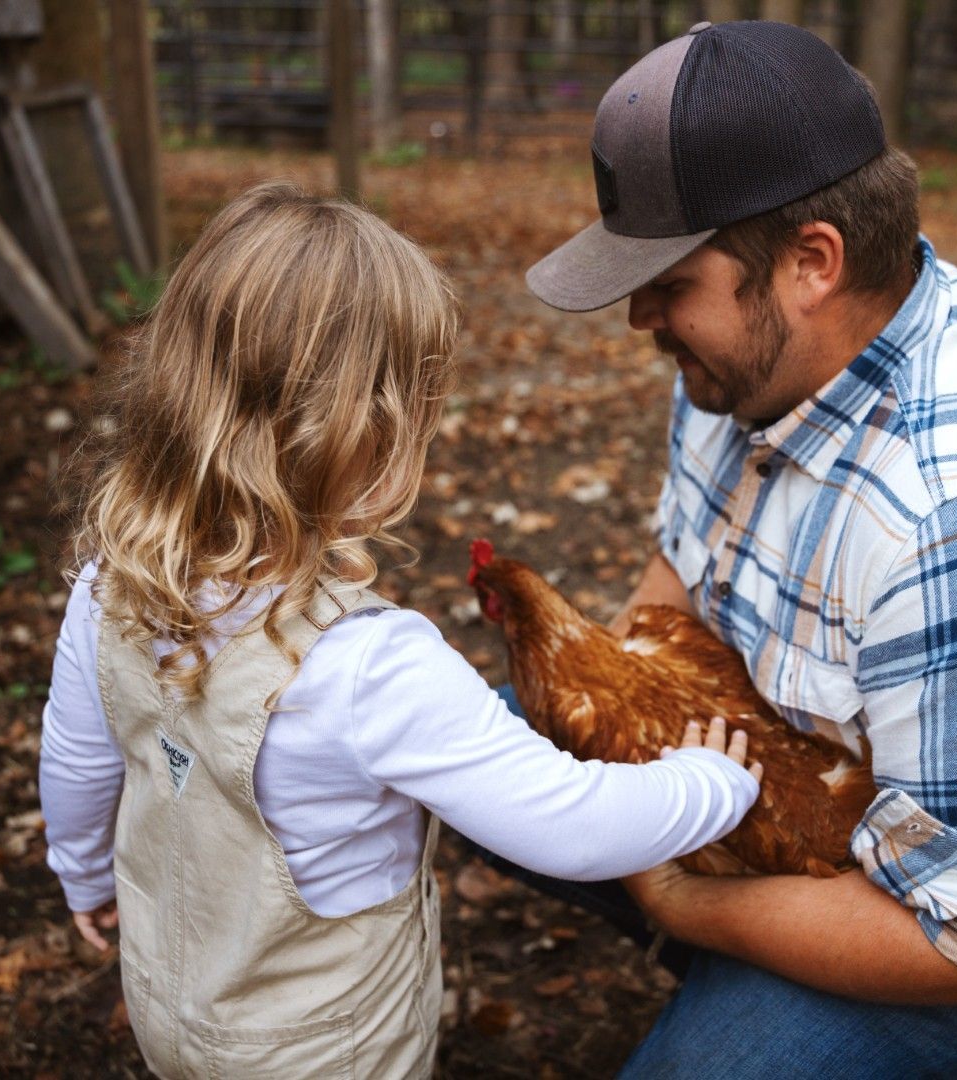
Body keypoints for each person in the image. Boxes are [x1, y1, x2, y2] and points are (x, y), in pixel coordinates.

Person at [522, 20, 957, 1078]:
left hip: (955, 923)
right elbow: (673, 587)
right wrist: (601, 719)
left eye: (668, 281)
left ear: (810, 264)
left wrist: (685, 897)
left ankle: (764, 997)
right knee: (509, 735)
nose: (636, 315)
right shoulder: (743, 362)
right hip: (807, 781)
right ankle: (757, 985)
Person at [37, 180, 764, 1080]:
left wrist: (82, 875)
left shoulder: (109, 586)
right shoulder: (371, 667)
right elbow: (568, 824)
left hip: (174, 1004)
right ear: (372, 439)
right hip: (323, 1049)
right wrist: (710, 785)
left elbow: (77, 763)